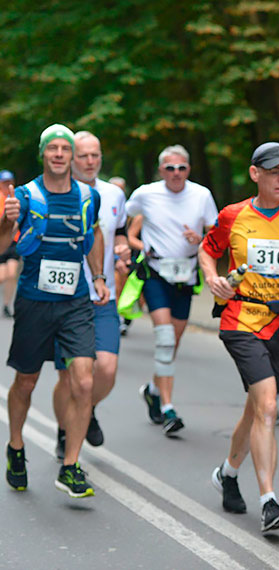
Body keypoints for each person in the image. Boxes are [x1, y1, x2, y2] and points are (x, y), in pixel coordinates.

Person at [199, 141, 279, 533]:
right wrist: (213, 279)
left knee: (257, 405)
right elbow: (207, 248)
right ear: (255, 174)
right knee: (266, 406)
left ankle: (227, 473)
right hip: (241, 319)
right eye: (274, 171)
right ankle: (270, 502)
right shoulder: (233, 215)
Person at [0, 124, 109, 498]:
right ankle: (16, 446)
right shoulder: (26, 196)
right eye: (53, 148)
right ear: (43, 154)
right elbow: (3, 244)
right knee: (27, 381)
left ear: (72, 156)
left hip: (75, 301)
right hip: (34, 300)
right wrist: (8, 218)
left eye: (66, 148)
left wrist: (98, 276)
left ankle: (71, 465)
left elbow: (94, 233)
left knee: (83, 381)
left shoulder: (87, 195)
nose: (60, 154)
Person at [126, 144, 218, 435]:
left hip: (186, 275)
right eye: (170, 168)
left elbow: (217, 233)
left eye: (181, 168)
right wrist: (132, 245)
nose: (176, 173)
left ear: (188, 169)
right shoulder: (145, 194)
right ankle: (168, 408)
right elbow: (124, 220)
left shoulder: (201, 194)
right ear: (161, 170)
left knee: (173, 343)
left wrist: (200, 237)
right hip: (155, 272)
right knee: (165, 339)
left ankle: (153, 390)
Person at [52, 131, 130, 460]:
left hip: (103, 296)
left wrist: (125, 247)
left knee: (107, 369)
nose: (90, 161)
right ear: (71, 157)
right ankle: (65, 428)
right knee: (70, 377)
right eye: (83, 155)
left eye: (95, 155)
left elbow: (121, 232)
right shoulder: (58, 192)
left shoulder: (113, 194)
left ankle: (88, 408)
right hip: (63, 296)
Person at [0, 170, 19, 317]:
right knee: (2, 276)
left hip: (14, 241)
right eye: (5, 182)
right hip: (1, 241)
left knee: (12, 274)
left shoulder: (15, 198)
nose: (8, 185)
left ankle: (7, 305)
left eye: (10, 182)